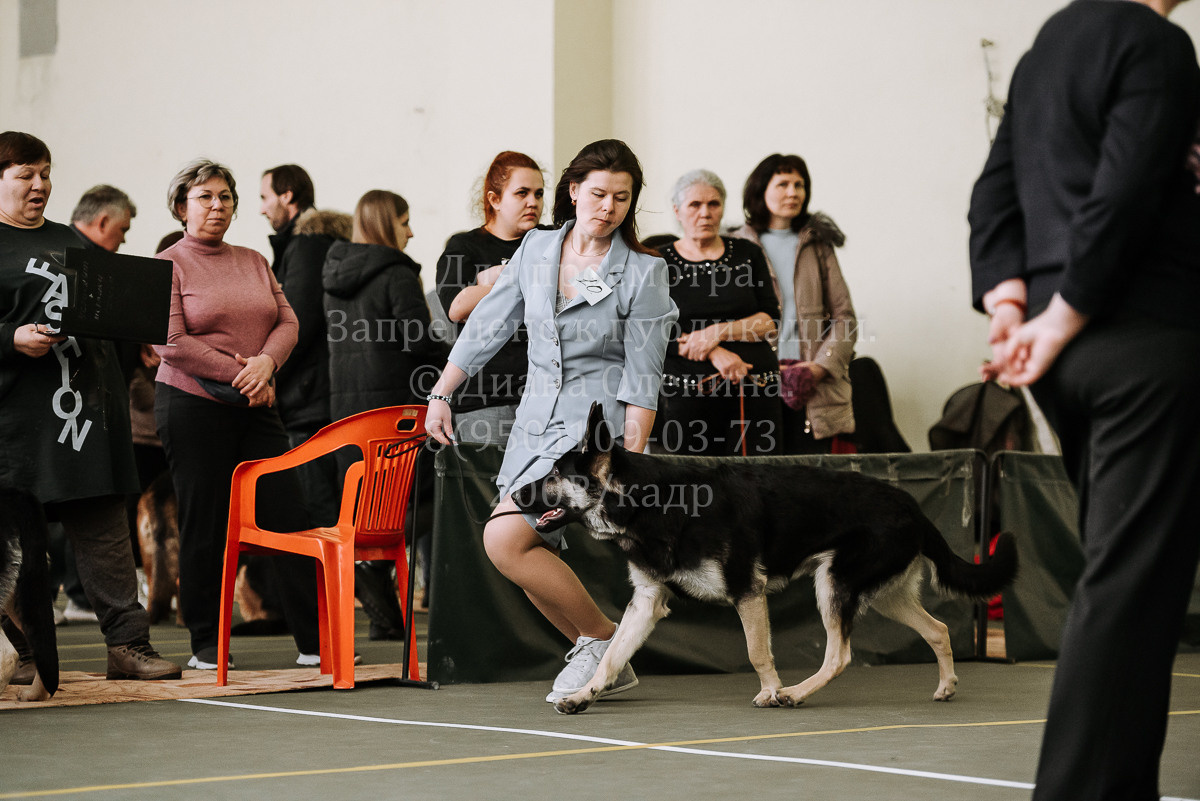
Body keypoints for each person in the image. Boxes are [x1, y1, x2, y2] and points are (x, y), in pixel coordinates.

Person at [967, 1, 1200, 797]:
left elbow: (992, 196)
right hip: (1140, 338)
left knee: (1133, 580)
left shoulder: (1046, 51)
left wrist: (1012, 311)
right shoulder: (1159, 45)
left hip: (1066, 358)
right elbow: (1126, 191)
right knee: (1132, 585)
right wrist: (1064, 314)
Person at [424, 139, 678, 703]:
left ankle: (601, 644)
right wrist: (442, 391)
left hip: (594, 434)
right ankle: (605, 651)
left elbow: (643, 378)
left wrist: (629, 461)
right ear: (573, 191)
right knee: (512, 549)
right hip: (532, 424)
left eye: (621, 197)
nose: (608, 206)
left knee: (506, 538)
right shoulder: (537, 249)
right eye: (597, 194)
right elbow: (488, 322)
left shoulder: (643, 272)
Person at [0, 130, 180, 680]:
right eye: (25, 175)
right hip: (15, 424)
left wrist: (139, 337)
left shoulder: (75, 243)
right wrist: (10, 340)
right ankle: (25, 654)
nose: (40, 185)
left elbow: (108, 313)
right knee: (13, 548)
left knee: (105, 531)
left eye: (46, 173)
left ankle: (128, 646)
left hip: (84, 417)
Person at [153, 158, 322, 670]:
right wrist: (243, 373)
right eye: (205, 197)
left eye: (225, 197)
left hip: (255, 403)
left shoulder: (253, 260)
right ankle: (206, 640)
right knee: (205, 521)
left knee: (289, 517)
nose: (217, 206)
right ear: (182, 206)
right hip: (190, 405)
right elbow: (171, 341)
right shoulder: (167, 263)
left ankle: (315, 642)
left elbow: (288, 321)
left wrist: (267, 363)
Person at [322, 189, 444, 639]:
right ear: (386, 224)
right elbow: (417, 341)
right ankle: (379, 575)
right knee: (427, 503)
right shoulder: (396, 273)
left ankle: (377, 596)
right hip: (395, 410)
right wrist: (460, 360)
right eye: (406, 222)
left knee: (366, 507)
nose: (411, 231)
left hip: (347, 412)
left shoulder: (332, 277)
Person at [730, 154, 857, 454]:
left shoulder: (818, 244)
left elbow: (845, 318)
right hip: (754, 382)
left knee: (809, 484)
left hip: (811, 386)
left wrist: (819, 367)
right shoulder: (735, 246)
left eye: (799, 185)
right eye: (783, 183)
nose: (793, 192)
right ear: (760, 189)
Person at [654, 169, 781, 456]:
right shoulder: (658, 260)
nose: (705, 213)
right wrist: (715, 352)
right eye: (694, 205)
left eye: (714, 204)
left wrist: (716, 333)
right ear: (677, 211)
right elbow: (651, 330)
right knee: (694, 486)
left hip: (755, 390)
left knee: (762, 483)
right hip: (688, 395)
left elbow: (770, 321)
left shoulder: (747, 253)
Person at [260, 164, 350, 525]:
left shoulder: (307, 247)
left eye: (265, 197)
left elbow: (295, 326)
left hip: (306, 404)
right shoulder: (318, 245)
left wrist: (268, 375)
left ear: (288, 196)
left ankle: (333, 585)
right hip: (319, 400)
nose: (262, 208)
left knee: (318, 521)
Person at [434, 151, 544, 446]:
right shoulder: (466, 246)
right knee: (491, 490)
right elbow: (457, 307)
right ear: (494, 199)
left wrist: (498, 280)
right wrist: (522, 281)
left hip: (543, 395)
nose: (533, 202)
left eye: (538, 193)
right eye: (521, 193)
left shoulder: (548, 241)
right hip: (486, 398)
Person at [70, 184, 135, 253]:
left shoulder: (61, 249)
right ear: (103, 223)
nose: (123, 240)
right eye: (123, 230)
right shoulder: (87, 260)